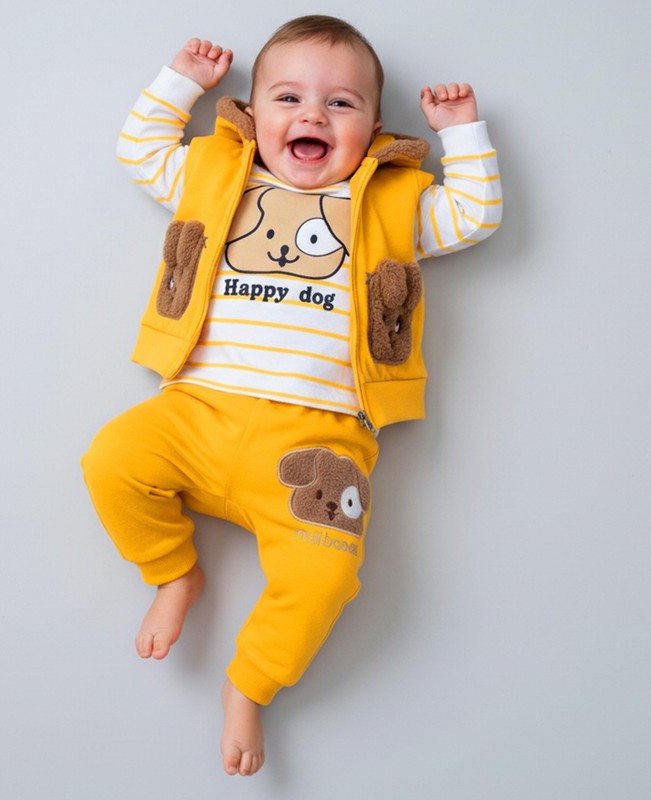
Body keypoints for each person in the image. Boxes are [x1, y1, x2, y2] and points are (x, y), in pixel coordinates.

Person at [82, 15, 502, 777]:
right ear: (252, 114)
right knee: (110, 458)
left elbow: (474, 216)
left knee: (327, 574)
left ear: (373, 129)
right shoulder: (220, 174)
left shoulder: (393, 202)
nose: (313, 115)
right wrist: (182, 81)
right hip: (197, 409)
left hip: (319, 442)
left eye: (341, 103)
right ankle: (174, 571)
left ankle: (250, 683)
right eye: (288, 98)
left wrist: (462, 132)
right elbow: (139, 150)